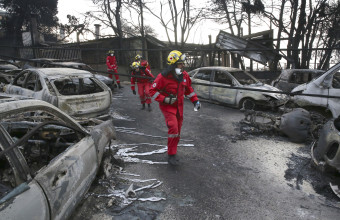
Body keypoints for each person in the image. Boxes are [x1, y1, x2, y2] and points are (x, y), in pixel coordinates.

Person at [149, 50, 201, 165]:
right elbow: (152, 91)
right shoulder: (163, 77)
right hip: (168, 107)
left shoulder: (184, 76)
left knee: (177, 132)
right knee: (173, 128)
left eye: (183, 63)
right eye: (180, 64)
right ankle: (171, 154)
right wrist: (165, 99)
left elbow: (189, 90)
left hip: (179, 107)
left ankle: (173, 151)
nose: (182, 66)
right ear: (173, 64)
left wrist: (195, 100)